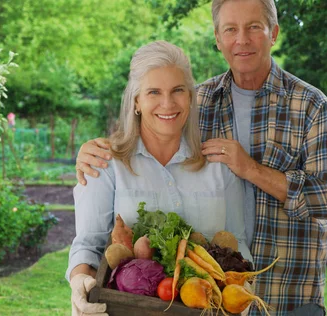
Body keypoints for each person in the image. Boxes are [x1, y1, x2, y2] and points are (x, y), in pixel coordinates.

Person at [76, 1, 327, 314]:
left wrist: (251, 169)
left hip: (288, 291)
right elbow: (153, 124)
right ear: (218, 38)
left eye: (254, 27)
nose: (241, 39)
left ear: (273, 33)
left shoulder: (310, 106)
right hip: (210, 300)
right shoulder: (198, 99)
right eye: (230, 29)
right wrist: (93, 152)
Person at [67, 40, 252, 316]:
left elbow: (238, 243)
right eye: (154, 92)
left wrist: (243, 295)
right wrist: (80, 281)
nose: (168, 103)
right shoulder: (106, 164)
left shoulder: (220, 168)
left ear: (190, 98)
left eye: (178, 90)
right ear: (137, 101)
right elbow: (88, 245)